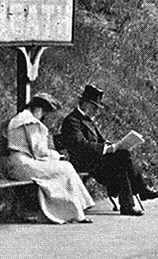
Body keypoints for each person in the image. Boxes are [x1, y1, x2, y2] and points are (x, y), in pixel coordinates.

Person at [60, 84, 158, 217]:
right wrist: (106, 149)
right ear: (84, 103)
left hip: (97, 159)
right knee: (121, 161)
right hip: (84, 161)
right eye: (93, 107)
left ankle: (129, 203)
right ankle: (140, 192)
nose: (95, 111)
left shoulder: (88, 120)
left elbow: (100, 140)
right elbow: (80, 145)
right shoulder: (71, 121)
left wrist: (112, 145)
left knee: (122, 155)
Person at [6, 92, 95, 224]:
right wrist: (56, 155)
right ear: (38, 109)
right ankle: (76, 211)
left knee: (63, 169)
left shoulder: (21, 118)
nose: (43, 117)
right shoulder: (30, 122)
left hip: (19, 162)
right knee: (65, 167)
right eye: (43, 113)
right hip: (23, 164)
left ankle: (75, 211)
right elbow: (39, 152)